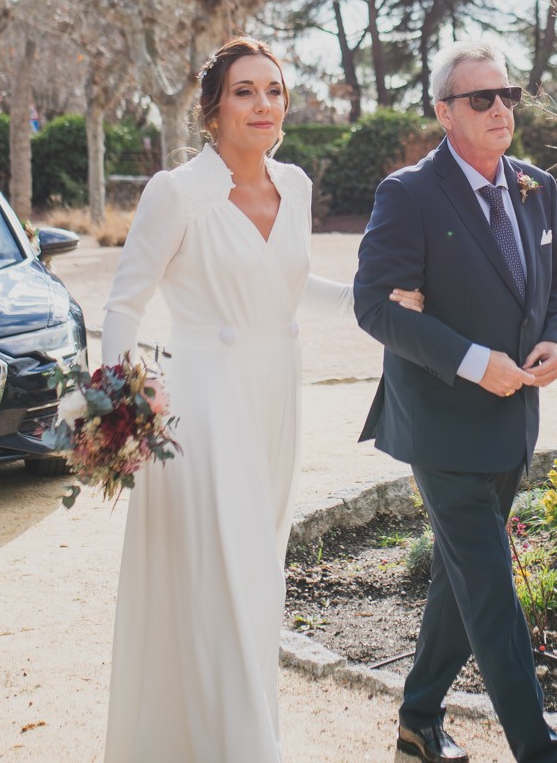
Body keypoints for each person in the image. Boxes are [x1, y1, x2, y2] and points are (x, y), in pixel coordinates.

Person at [99, 37, 422, 763]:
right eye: (245, 90)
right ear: (212, 109)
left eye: (273, 90)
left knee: (257, 573)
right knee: (227, 574)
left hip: (279, 390)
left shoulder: (297, 185)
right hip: (203, 403)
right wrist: (116, 411)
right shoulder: (176, 191)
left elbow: (286, 286)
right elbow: (125, 303)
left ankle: (227, 736)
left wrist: (377, 301)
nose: (263, 104)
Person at [354, 40, 557, 763]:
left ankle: (419, 722)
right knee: (489, 586)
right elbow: (375, 308)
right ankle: (538, 749)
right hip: (442, 426)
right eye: (481, 98)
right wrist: (474, 360)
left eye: (508, 93)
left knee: (460, 579)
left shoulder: (538, 186)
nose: (500, 108)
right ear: (445, 112)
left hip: (513, 422)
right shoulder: (409, 193)